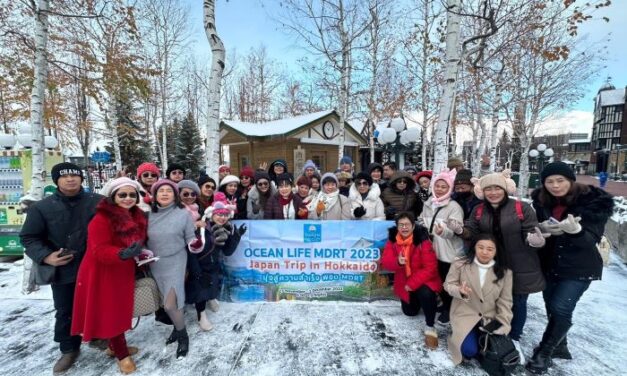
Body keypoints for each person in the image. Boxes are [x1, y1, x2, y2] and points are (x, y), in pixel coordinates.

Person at [527, 162, 614, 374]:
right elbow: (536, 228)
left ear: (570, 180)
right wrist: (539, 233)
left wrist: (575, 231)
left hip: (579, 267)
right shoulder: (541, 201)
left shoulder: (593, 202)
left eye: (560, 180)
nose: (555, 185)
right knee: (551, 306)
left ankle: (543, 353)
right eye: (550, 181)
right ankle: (561, 346)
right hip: (550, 264)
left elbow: (590, 239)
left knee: (560, 307)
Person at [20, 162, 103, 374]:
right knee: (66, 309)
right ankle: (69, 348)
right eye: (64, 176)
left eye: (75, 175)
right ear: (56, 180)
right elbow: (29, 237)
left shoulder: (98, 201)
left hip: (95, 266)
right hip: (64, 268)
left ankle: (97, 336)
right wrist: (46, 256)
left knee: (96, 304)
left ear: (81, 179)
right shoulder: (42, 207)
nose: (70, 179)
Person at [459, 170, 547, 363]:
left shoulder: (522, 208)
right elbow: (471, 231)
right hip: (490, 265)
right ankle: (492, 333)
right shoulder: (479, 210)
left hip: (521, 266)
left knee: (518, 303)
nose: (493, 192)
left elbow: (531, 231)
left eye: (497, 188)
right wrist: (460, 230)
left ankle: (513, 339)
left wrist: (534, 239)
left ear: (505, 189)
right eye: (488, 189)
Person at [71, 177, 149, 374]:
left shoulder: (137, 215)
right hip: (102, 272)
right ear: (113, 196)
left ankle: (113, 347)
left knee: (120, 309)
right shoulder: (101, 219)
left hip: (122, 270)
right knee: (111, 312)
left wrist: (140, 253)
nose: (128, 198)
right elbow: (99, 250)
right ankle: (122, 355)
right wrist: (121, 253)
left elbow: (136, 243)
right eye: (122, 195)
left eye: (132, 194)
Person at [147, 179, 203, 359]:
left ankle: (183, 335)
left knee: (172, 303)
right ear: (155, 195)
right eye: (160, 190)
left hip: (176, 260)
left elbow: (190, 238)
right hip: (154, 263)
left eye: (168, 191)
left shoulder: (182, 213)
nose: (164, 193)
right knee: (165, 302)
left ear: (174, 195)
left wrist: (196, 244)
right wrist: (140, 252)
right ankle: (177, 330)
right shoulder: (146, 214)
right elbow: (139, 239)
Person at [444, 234, 513, 366]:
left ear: (496, 251)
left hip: (489, 317)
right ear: (474, 248)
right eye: (480, 247)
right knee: (469, 351)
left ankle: (475, 336)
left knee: (493, 350)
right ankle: (458, 334)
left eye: (490, 249)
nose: (485, 252)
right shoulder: (460, 263)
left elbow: (505, 301)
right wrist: (459, 291)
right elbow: (448, 285)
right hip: (464, 313)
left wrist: (503, 323)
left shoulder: (505, 272)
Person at [380, 212, 441, 349]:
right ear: (397, 226)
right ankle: (422, 302)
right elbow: (386, 262)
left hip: (423, 280)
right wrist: (398, 262)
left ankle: (430, 326)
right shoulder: (393, 241)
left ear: (413, 226)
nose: (404, 227)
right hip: (404, 281)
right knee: (409, 312)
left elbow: (430, 268)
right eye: (401, 224)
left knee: (426, 294)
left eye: (407, 224)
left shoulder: (423, 241)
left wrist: (412, 284)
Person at [186, 192, 245, 332]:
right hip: (199, 265)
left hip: (213, 265)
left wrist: (237, 236)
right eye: (219, 214)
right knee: (200, 291)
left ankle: (211, 298)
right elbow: (191, 252)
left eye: (225, 215)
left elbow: (227, 251)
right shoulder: (201, 229)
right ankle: (201, 315)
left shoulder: (224, 230)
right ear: (212, 215)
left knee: (211, 286)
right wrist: (196, 272)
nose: (222, 217)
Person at [419, 168, 465, 327]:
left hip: (449, 252)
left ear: (450, 189)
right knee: (437, 279)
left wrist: (444, 231)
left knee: (448, 282)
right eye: (437, 185)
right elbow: (422, 220)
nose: (439, 189)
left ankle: (449, 309)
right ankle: (443, 304)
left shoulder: (454, 207)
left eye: (443, 187)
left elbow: (456, 231)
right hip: (433, 250)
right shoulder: (428, 203)